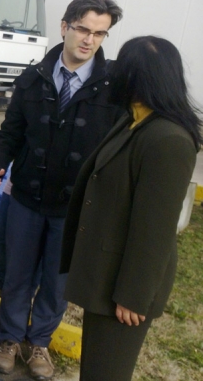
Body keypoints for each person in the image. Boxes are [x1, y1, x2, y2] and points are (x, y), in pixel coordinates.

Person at [0, 0, 124, 379]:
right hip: (26, 196)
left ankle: (38, 341)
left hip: (75, 208)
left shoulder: (113, 87)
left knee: (57, 283)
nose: (89, 40)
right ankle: (8, 339)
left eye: (100, 34)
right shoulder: (32, 78)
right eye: (83, 29)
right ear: (65, 27)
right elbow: (11, 133)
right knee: (18, 273)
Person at [60, 36, 200, 380]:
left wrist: (134, 297)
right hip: (106, 276)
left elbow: (155, 230)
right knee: (95, 368)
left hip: (125, 291)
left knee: (107, 372)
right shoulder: (134, 121)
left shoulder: (167, 140)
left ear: (137, 76)